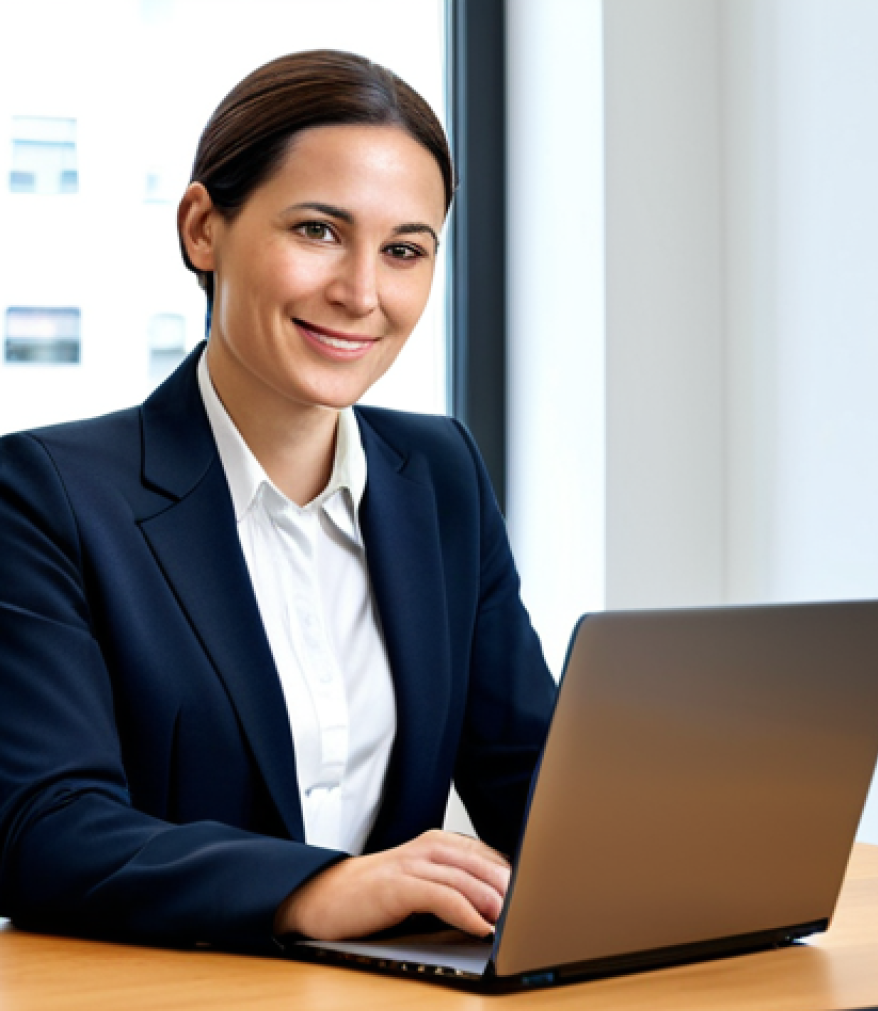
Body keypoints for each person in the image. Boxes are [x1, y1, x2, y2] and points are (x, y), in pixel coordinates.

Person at [0, 50, 556, 953]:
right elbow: (46, 829)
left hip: (389, 1001)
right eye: (318, 231)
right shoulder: (48, 495)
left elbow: (533, 783)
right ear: (202, 229)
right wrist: (319, 890)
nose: (362, 294)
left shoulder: (440, 474)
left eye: (404, 250)